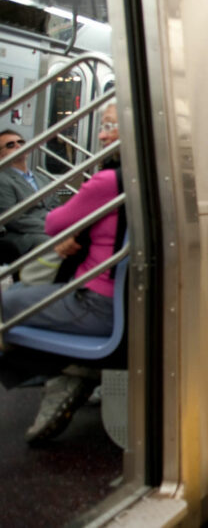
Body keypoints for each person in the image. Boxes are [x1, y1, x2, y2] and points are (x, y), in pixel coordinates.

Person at [0, 102, 123, 443]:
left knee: (8, 304)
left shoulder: (106, 181)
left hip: (95, 303)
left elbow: (56, 219)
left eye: (110, 127)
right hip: (115, 296)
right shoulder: (139, 179)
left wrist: (74, 229)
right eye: (102, 125)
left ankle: (64, 371)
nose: (101, 134)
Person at [0, 129, 58, 263]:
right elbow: (13, 218)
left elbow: (55, 205)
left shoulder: (42, 178)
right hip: (24, 234)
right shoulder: (2, 179)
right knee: (55, 243)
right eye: (10, 145)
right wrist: (51, 227)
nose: (18, 146)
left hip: (51, 226)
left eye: (21, 142)